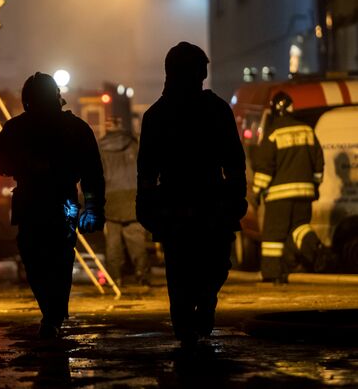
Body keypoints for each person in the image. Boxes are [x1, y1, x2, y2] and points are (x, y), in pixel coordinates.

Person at [136, 42, 247, 349]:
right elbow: (234, 162)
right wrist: (236, 198)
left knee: (187, 268)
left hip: (189, 207)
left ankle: (192, 317)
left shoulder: (158, 115)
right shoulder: (214, 110)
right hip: (204, 206)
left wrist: (146, 207)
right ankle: (189, 321)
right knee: (201, 267)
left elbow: (146, 171)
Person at [0, 72, 105, 339]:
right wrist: (95, 208)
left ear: (27, 99)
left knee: (35, 260)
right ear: (57, 96)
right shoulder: (77, 128)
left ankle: (51, 314)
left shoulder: (16, 127)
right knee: (61, 257)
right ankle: (54, 314)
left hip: (30, 202)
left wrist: (23, 166)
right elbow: (92, 174)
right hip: (65, 202)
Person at [252, 91, 335, 282]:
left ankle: (272, 273)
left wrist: (256, 192)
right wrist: (314, 186)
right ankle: (318, 251)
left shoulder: (273, 134)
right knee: (299, 229)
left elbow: (265, 167)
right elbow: (318, 163)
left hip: (279, 196)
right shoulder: (307, 131)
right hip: (304, 194)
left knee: (273, 235)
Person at [98, 118, 151, 287]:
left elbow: (97, 175)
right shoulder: (135, 145)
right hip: (133, 198)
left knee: (113, 242)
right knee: (136, 239)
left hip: (111, 198)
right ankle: (141, 274)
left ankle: (115, 279)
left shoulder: (100, 148)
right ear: (121, 126)